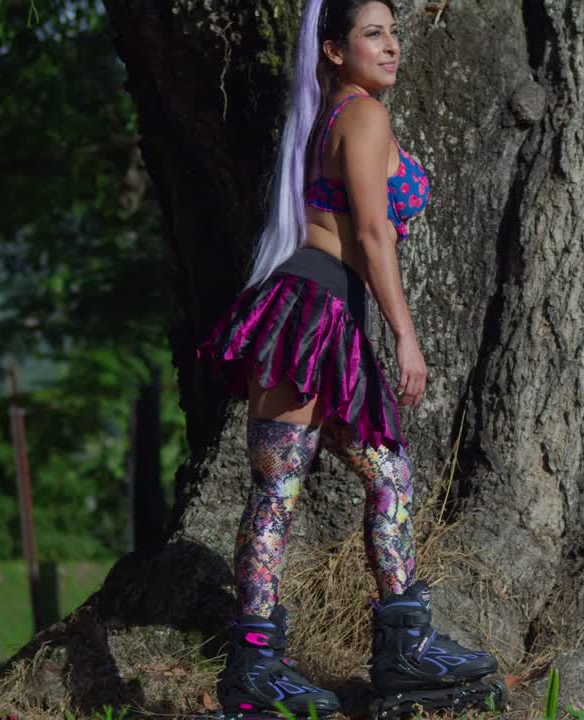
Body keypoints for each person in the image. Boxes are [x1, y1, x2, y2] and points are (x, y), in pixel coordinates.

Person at [196, 1, 505, 717]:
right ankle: (255, 669)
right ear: (333, 49)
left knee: (388, 477)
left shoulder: (330, 116)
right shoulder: (360, 116)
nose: (392, 46)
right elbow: (371, 234)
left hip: (322, 319)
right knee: (278, 491)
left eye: (394, 32)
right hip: (309, 313)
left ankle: (405, 646)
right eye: (374, 33)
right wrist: (405, 333)